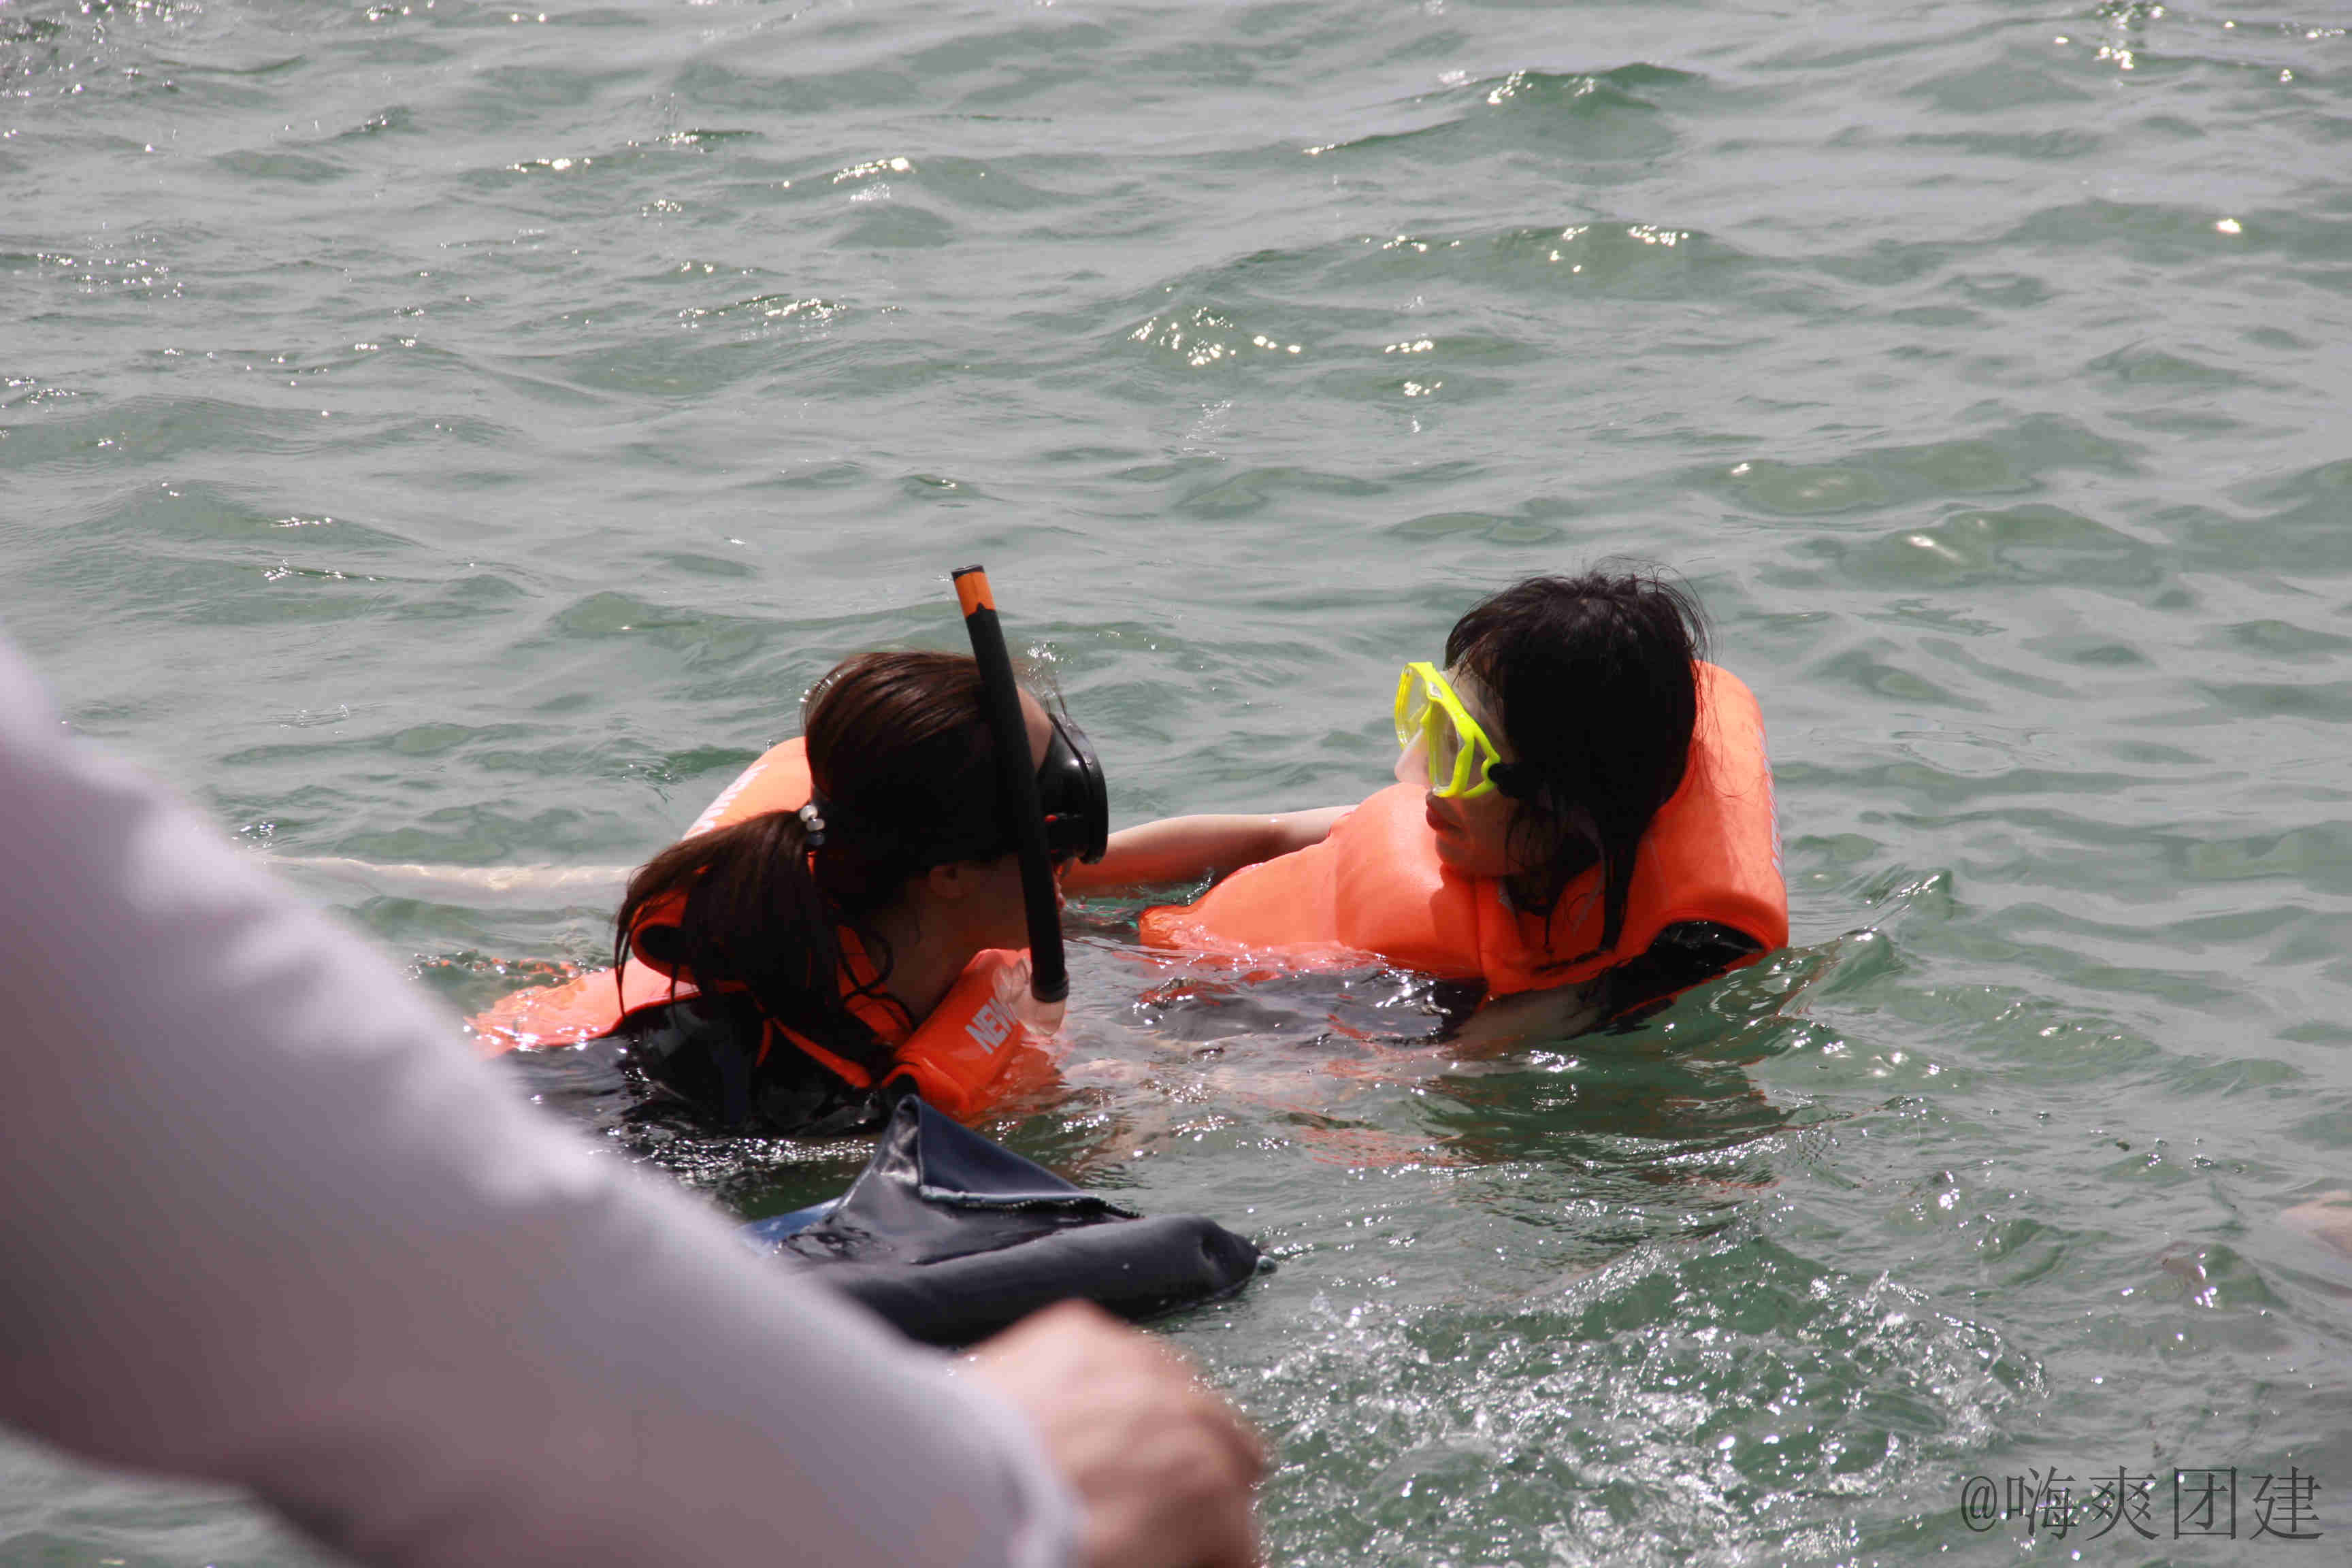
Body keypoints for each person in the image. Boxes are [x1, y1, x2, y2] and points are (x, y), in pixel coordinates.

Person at [0, 633, 1261, 1568]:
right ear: (949, 873)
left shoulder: (886, 895)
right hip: (596, 1126)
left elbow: (1104, 873)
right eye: (1054, 812)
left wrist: (1294, 835)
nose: (1079, 831)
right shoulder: (794, 1087)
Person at [1068, 570, 1787, 1026]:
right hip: (1142, 948)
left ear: (1561, 807)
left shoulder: (1564, 989)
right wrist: (1066, 866)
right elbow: (1266, 836)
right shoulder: (1448, 828)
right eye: (1434, 723)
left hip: (1229, 1019)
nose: (1423, 777)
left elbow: (1446, 1075)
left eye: (1462, 754)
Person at [473, 649, 1106, 1133]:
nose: (1073, 858)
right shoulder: (806, 1103)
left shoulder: (881, 892)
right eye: (1052, 840)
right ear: (951, 875)